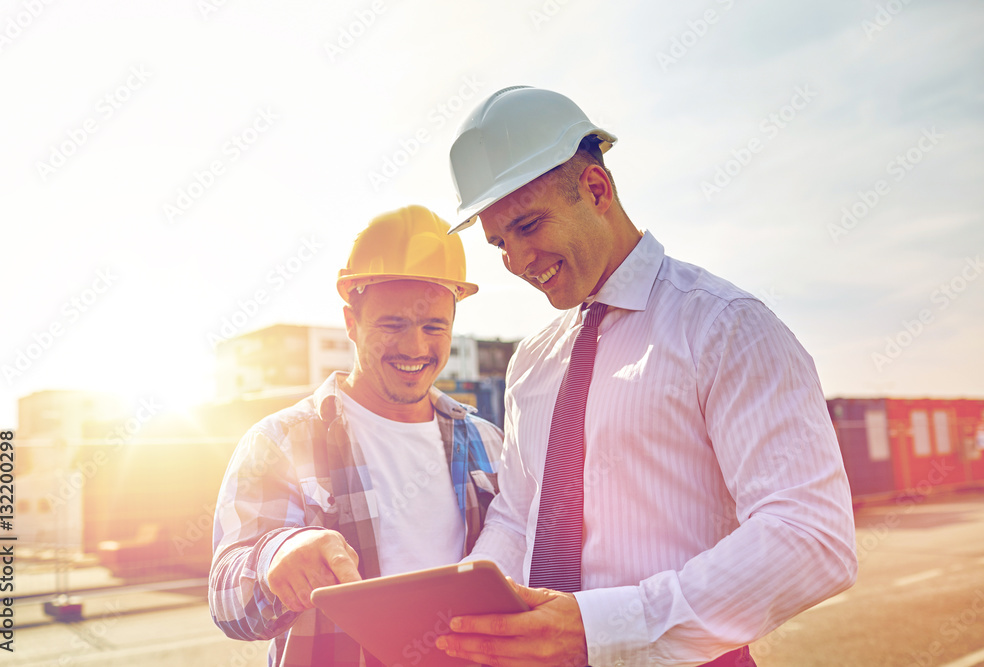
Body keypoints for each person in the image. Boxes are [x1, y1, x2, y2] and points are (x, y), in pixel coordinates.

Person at [436, 86, 858, 666]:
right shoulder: (530, 363)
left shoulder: (725, 326)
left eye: (529, 226)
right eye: (500, 244)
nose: (518, 261)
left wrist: (602, 628)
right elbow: (516, 514)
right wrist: (464, 607)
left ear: (596, 189)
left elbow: (811, 536)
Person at [208, 205, 504, 667]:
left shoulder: (488, 444)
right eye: (393, 325)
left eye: (434, 327)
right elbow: (227, 604)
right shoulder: (281, 442)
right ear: (351, 322)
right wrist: (274, 558)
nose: (415, 347)